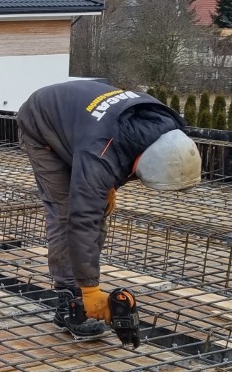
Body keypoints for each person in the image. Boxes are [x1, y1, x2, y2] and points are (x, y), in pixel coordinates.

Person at [16, 80, 201, 337]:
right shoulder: (100, 151)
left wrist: (109, 185)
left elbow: (121, 158)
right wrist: (90, 289)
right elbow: (82, 220)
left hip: (82, 124)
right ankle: (69, 300)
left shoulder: (165, 126)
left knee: (97, 205)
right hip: (42, 121)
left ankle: (80, 282)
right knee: (66, 214)